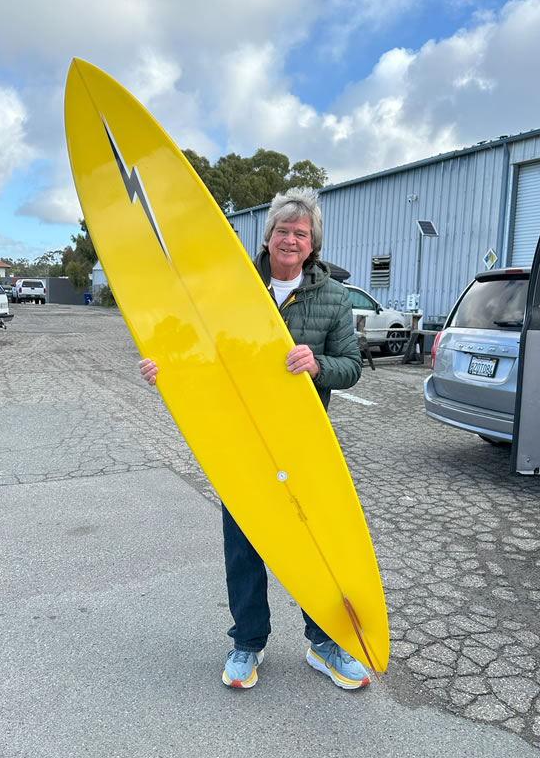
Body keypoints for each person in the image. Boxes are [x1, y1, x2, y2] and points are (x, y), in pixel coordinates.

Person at [139, 187, 370, 691]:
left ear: (313, 245)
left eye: (300, 233)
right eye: (282, 230)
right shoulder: (234, 286)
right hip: (239, 441)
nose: (290, 239)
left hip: (302, 441)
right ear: (268, 237)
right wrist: (166, 370)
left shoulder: (333, 297)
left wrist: (317, 365)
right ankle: (248, 641)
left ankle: (324, 641)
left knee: (314, 543)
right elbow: (194, 347)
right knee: (244, 546)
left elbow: (351, 367)